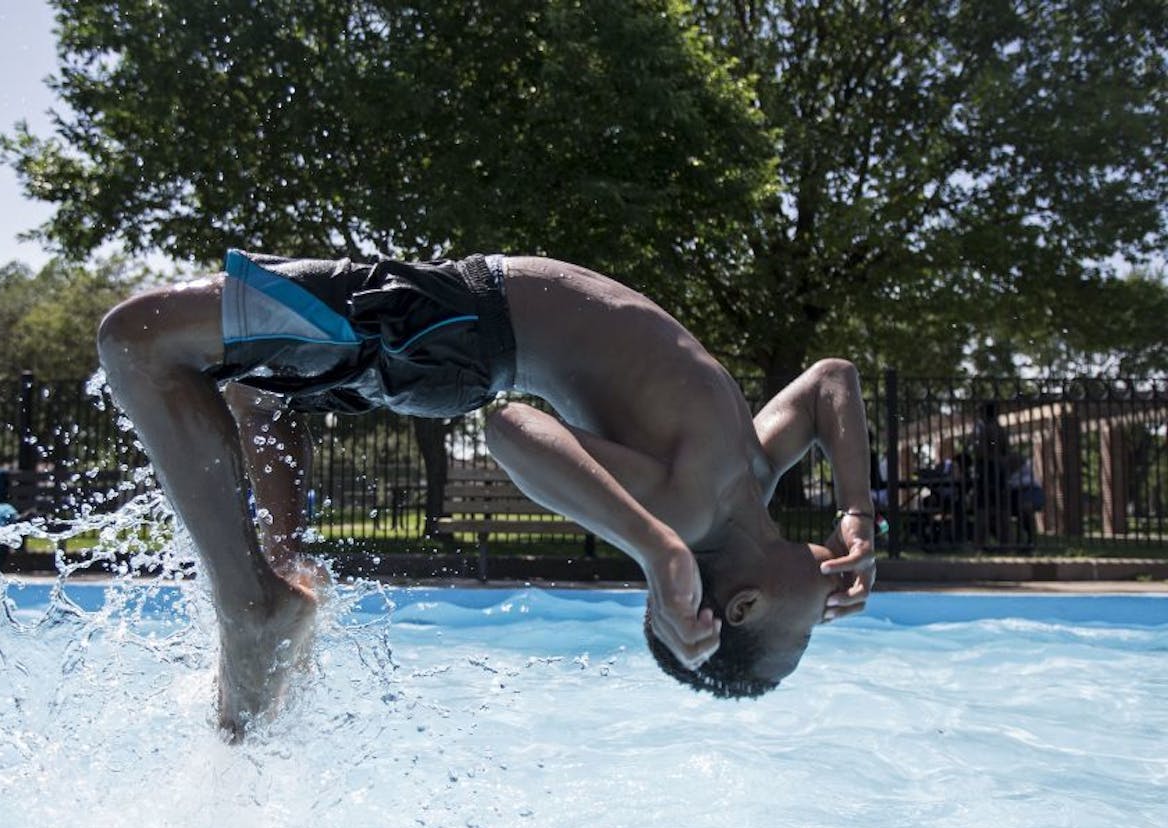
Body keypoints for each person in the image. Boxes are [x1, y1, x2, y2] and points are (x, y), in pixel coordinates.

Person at [97, 251, 877, 735]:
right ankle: (282, 578)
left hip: (444, 327)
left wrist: (655, 548)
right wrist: (856, 509)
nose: (828, 619)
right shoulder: (754, 474)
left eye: (804, 640)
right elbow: (830, 382)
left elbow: (510, 427)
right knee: (257, 391)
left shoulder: (683, 511)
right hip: (446, 321)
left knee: (137, 339)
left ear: (743, 606)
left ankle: (250, 604)